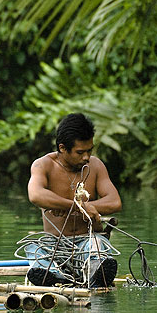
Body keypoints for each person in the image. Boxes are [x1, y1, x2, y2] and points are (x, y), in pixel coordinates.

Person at [23, 113, 122, 287]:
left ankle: (96, 271)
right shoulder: (43, 165)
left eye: (89, 151)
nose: (86, 157)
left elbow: (114, 202)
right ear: (62, 148)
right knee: (33, 248)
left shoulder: (96, 166)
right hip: (54, 244)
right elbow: (36, 195)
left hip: (87, 241)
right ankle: (52, 276)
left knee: (97, 245)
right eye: (80, 152)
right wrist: (78, 207)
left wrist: (85, 207)